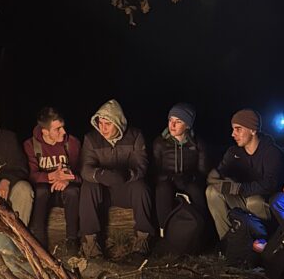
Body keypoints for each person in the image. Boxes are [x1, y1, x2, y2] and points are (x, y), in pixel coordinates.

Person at [79, 99, 155, 259]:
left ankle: (142, 241)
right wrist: (100, 174)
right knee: (88, 186)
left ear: (118, 123)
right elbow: (86, 168)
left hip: (126, 189)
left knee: (141, 187)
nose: (102, 128)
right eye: (100, 123)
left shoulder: (135, 136)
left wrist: (127, 174)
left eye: (107, 124)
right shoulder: (91, 138)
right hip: (104, 191)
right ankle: (90, 244)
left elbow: (141, 166)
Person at [206, 109, 283, 244]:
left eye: (238, 129)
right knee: (212, 192)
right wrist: (217, 178)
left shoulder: (271, 152)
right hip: (241, 200)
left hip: (263, 204)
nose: (233, 134)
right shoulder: (233, 152)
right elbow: (217, 175)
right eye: (233, 129)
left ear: (253, 130)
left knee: (254, 201)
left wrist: (238, 188)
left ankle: (262, 243)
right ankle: (228, 242)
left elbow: (270, 184)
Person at [23, 107, 81, 253]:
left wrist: (67, 179)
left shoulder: (72, 143)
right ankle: (39, 242)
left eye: (63, 127)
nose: (64, 132)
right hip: (45, 193)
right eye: (58, 129)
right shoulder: (31, 145)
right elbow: (30, 175)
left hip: (65, 191)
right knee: (40, 190)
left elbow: (81, 174)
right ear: (45, 132)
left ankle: (72, 240)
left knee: (72, 191)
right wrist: (51, 176)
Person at [152, 103, 208, 228]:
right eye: (170, 120)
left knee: (196, 190)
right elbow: (155, 171)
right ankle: (164, 229)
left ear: (187, 125)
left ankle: (201, 227)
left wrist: (190, 177)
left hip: (188, 181)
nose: (172, 125)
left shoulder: (198, 144)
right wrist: (169, 177)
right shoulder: (160, 143)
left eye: (178, 121)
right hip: (167, 181)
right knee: (163, 189)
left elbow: (203, 172)